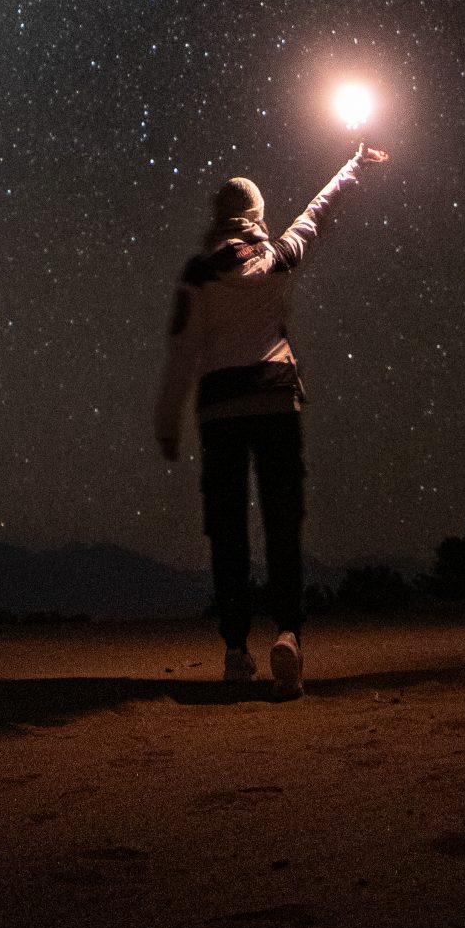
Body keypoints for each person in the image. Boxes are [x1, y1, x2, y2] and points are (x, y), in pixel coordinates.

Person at [155, 146, 384, 695]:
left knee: (228, 531)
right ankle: (288, 637)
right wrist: (351, 167)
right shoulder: (278, 256)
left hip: (220, 409)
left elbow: (182, 349)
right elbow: (317, 211)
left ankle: (236, 650)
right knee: (284, 526)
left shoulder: (198, 273)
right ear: (255, 214)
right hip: (276, 399)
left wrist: (168, 416)